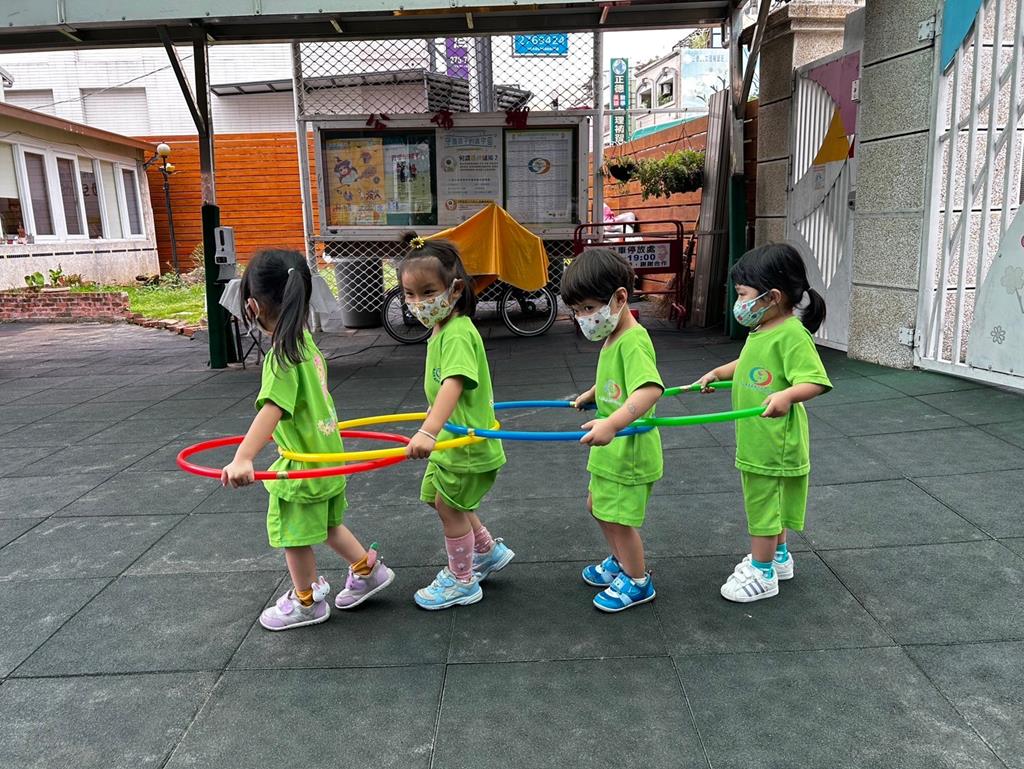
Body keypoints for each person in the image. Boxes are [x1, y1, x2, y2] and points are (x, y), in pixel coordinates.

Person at [221, 249, 394, 630]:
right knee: (329, 524)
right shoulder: (306, 344)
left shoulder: (281, 357)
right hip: (328, 457)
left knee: (294, 535)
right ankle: (367, 570)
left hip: (303, 464)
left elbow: (272, 410)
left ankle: (306, 602)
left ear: (252, 306)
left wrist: (243, 457)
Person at [695, 242, 831, 603]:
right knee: (771, 502)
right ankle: (779, 557)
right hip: (759, 438)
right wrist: (718, 372)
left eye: (743, 294)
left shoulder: (791, 334)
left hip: (775, 443)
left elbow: (815, 380)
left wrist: (786, 396)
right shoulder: (763, 330)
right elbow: (749, 364)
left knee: (762, 505)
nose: (738, 302)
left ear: (772, 297)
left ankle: (762, 572)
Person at [399, 233, 514, 610]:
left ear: (456, 289)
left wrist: (427, 430)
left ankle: (462, 581)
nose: (418, 303)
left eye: (428, 292)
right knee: (438, 499)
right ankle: (485, 550)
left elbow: (454, 382)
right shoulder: (441, 329)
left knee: (449, 507)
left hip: (466, 446)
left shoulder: (458, 333)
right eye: (410, 294)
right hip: (451, 442)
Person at [562, 248, 664, 612]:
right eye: (577, 311)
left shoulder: (633, 340)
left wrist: (612, 422)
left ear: (620, 298)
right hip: (611, 449)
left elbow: (649, 390)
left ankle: (637, 580)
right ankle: (621, 561)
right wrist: (595, 393)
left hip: (628, 451)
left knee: (617, 518)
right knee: (598, 507)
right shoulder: (614, 337)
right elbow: (618, 381)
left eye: (589, 308)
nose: (583, 318)